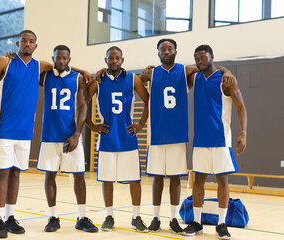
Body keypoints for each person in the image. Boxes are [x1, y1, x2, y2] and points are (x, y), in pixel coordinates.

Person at [0, 30, 92, 239]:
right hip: (3, 127)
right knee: (2, 173)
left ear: (35, 45)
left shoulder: (38, 66)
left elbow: (61, 65)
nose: (27, 44)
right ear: (18, 43)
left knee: (16, 173)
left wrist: (83, 71)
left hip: (25, 131)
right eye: (24, 41)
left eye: (31, 41)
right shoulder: (4, 62)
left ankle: (10, 217)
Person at [139, 39, 234, 234]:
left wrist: (227, 71)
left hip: (177, 134)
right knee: (157, 178)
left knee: (175, 178)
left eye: (170, 49)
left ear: (175, 51)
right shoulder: (152, 73)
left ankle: (174, 219)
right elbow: (133, 82)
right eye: (162, 49)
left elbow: (209, 66)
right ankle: (156, 218)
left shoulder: (185, 71)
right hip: (156, 134)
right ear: (157, 53)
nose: (166, 52)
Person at [181, 44, 247, 239]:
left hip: (221, 139)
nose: (199, 61)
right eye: (197, 58)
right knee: (198, 180)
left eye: (203, 57)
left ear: (212, 56)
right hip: (200, 139)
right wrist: (225, 67)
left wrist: (243, 132)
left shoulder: (226, 81)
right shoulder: (196, 77)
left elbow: (241, 106)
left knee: (222, 180)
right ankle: (197, 222)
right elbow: (184, 70)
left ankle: (221, 224)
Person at [86, 46, 149, 232]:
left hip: (128, 137)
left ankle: (136, 217)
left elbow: (148, 100)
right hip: (106, 137)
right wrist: (92, 125)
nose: (114, 61)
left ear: (122, 60)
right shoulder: (98, 81)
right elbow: (82, 102)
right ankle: (109, 216)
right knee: (107, 179)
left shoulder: (133, 79)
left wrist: (140, 124)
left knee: (134, 179)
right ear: (106, 60)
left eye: (117, 58)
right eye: (111, 58)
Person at [37, 45, 98, 233]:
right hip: (49, 135)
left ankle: (81, 217)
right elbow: (32, 65)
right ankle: (53, 217)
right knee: (50, 175)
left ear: (69, 59)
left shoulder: (78, 79)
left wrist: (77, 134)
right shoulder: (45, 76)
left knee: (79, 175)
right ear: (53, 58)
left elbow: (83, 107)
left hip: (70, 134)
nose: (61, 61)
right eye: (58, 58)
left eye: (65, 58)